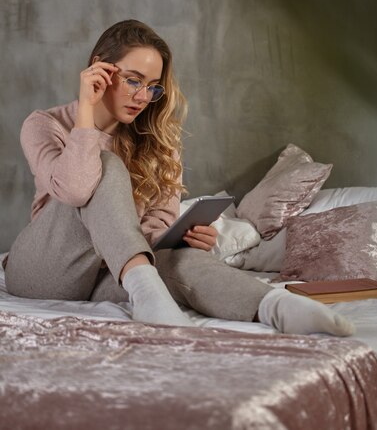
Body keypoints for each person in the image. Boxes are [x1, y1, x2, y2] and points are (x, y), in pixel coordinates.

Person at [4, 19, 354, 336]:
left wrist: (180, 239)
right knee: (108, 167)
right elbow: (77, 189)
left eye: (153, 87)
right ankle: (146, 290)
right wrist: (85, 112)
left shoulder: (157, 142)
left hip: (107, 273)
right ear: (100, 67)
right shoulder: (45, 125)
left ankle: (277, 307)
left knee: (182, 262)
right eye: (133, 81)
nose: (143, 98)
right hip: (44, 270)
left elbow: (157, 224)